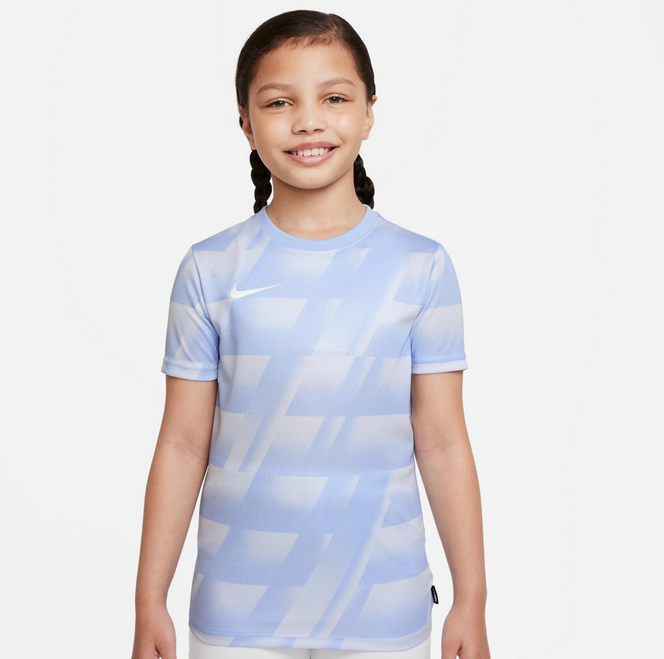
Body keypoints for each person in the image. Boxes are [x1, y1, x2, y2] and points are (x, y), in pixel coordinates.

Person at [132, 9, 490, 659]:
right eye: (279, 102)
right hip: (236, 613)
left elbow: (441, 441)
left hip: (385, 610)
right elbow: (183, 443)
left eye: (334, 97)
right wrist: (148, 601)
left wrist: (472, 598)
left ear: (369, 112)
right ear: (246, 123)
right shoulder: (211, 269)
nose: (307, 121)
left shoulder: (421, 267)